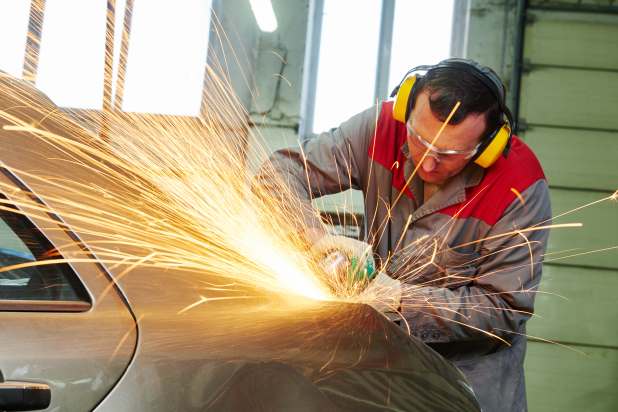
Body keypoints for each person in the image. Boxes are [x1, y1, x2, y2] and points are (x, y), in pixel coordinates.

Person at [256, 58, 551, 411]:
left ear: (486, 148)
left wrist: (399, 300)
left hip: (467, 385)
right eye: (418, 139)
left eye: (449, 154)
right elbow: (280, 174)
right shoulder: (383, 127)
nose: (427, 163)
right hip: (373, 368)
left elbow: (503, 309)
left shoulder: (519, 185)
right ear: (406, 109)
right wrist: (315, 239)